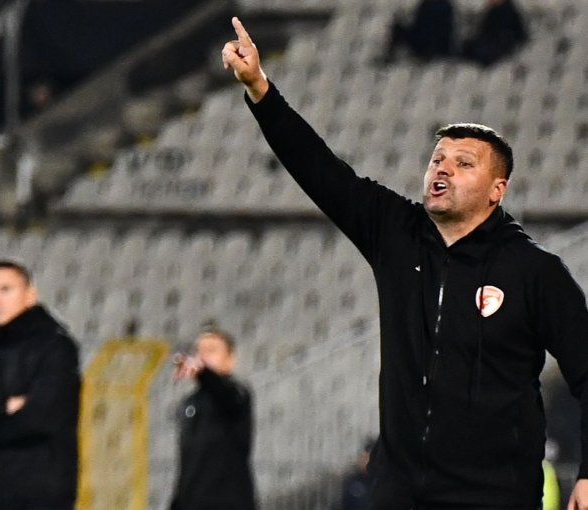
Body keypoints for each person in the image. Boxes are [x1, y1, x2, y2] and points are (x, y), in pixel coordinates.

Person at [221, 16, 588, 509]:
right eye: (438, 159)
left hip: (494, 496)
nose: (443, 168)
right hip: (399, 492)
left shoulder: (534, 272)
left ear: (496, 190)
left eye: (463, 163)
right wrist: (260, 89)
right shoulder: (396, 233)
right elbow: (321, 170)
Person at [0, 260, 80, 510]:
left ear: (30, 295)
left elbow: (41, 418)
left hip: (44, 493)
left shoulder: (56, 348)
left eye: (6, 289)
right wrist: (1, 407)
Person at [169, 328, 257, 510]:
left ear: (231, 360)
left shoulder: (237, 393)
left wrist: (203, 372)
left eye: (211, 350)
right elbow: (189, 464)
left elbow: (223, 393)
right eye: (199, 351)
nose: (203, 356)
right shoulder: (191, 402)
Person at [379, 0, 455, 64]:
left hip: (435, 46)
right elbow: (417, 24)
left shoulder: (444, 6)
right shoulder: (426, 4)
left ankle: (428, 54)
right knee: (398, 28)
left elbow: (445, 31)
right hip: (421, 41)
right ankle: (389, 57)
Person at [460, 0, 529, 67]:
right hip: (488, 43)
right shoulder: (492, 11)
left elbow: (521, 34)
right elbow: (483, 30)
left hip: (500, 47)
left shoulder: (509, 11)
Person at [339, 438, 375, 510]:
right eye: (363, 458)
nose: (364, 461)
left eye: (367, 458)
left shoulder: (383, 482)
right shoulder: (352, 481)